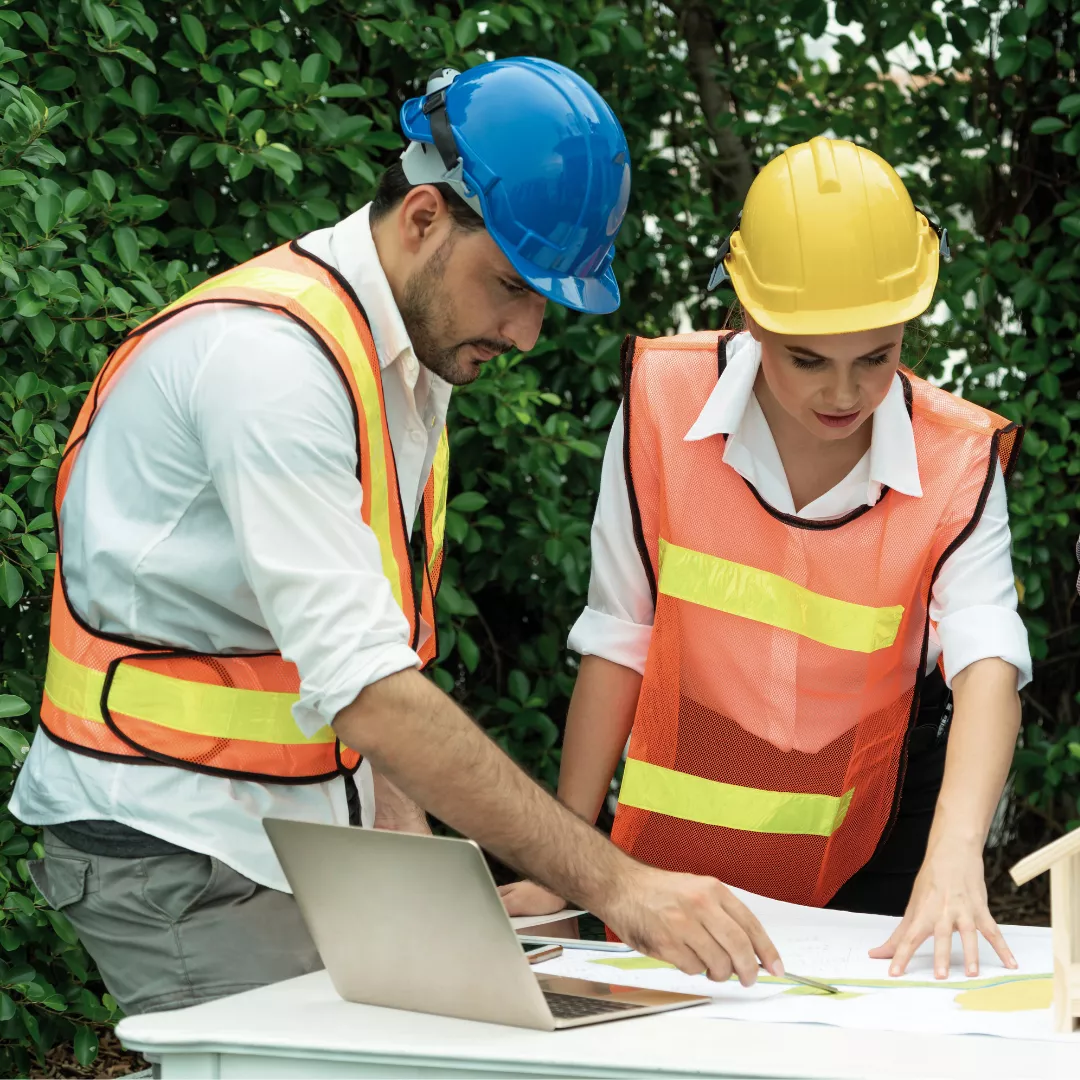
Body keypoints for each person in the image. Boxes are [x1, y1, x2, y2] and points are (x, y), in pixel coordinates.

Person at [11, 58, 782, 1020]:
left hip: (281, 840)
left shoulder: (403, 364)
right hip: (172, 845)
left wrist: (421, 879)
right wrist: (615, 884)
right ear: (423, 217)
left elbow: (356, 666)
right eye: (511, 285)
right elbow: (372, 695)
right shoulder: (274, 367)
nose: (527, 332)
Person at [501, 136, 1032, 981]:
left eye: (878, 358)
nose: (845, 394)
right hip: (670, 856)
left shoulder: (957, 458)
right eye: (808, 359)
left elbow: (989, 658)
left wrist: (957, 854)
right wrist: (566, 856)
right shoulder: (661, 402)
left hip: (867, 849)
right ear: (752, 320)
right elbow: (617, 637)